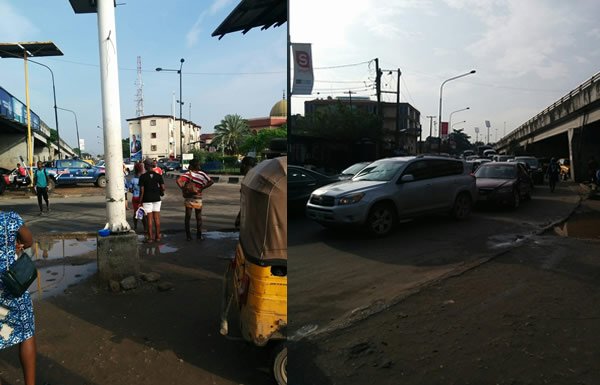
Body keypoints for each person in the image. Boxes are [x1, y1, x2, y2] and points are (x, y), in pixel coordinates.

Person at [0, 210, 37, 385]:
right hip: (11, 284)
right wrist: (18, 245)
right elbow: (28, 241)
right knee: (26, 331)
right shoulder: (11, 218)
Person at [176, 159, 214, 241]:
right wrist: (202, 188)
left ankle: (188, 236)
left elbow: (178, 180)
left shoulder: (187, 174)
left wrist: (183, 189)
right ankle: (199, 235)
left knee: (188, 217)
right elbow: (211, 181)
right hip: (198, 197)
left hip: (189, 197)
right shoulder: (202, 174)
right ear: (197, 165)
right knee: (199, 217)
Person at [139, 158, 165, 242]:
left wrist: (140, 201)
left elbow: (142, 191)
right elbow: (163, 188)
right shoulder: (158, 176)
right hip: (157, 199)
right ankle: (158, 237)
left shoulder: (142, 177)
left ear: (146, 166)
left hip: (147, 199)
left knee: (149, 219)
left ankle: (150, 238)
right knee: (157, 218)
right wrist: (160, 192)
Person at [235, 156, 257, 229]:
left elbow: (249, 202)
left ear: (245, 165)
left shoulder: (251, 178)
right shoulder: (251, 176)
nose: (241, 167)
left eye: (242, 164)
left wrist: (239, 216)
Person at [126, 162, 146, 231]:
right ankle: (145, 228)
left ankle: (135, 226)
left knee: (135, 212)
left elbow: (130, 190)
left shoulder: (133, 180)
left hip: (135, 197)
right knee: (142, 213)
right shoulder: (143, 179)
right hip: (142, 198)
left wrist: (135, 190)